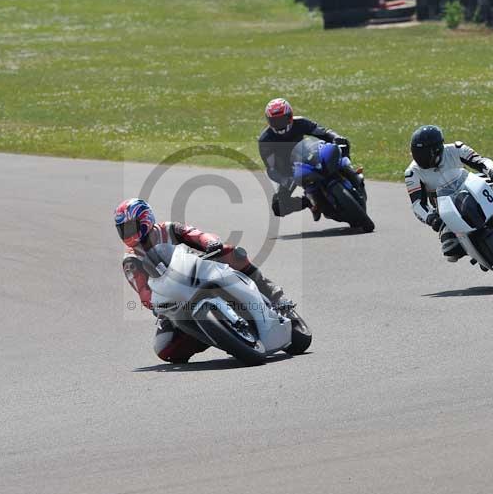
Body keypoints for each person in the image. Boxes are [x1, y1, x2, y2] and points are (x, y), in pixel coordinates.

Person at [115, 198, 285, 363]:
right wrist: (152, 302)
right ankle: (216, 335)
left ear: (145, 219)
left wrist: (211, 242)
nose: (127, 232)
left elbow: (196, 235)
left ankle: (272, 293)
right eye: (122, 229)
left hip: (194, 271)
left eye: (130, 227)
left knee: (229, 252)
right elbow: (143, 291)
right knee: (164, 350)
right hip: (171, 299)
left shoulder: (168, 229)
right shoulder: (130, 259)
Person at [404, 125, 493, 262]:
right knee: (451, 250)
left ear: (437, 148)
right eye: (417, 153)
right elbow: (418, 204)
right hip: (446, 208)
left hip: (470, 188)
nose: (419, 158)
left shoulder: (455, 149)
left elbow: (481, 161)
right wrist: (431, 218)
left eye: (423, 153)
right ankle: (479, 251)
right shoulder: (412, 173)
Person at [258, 98, 353, 219]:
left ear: (290, 116)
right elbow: (271, 169)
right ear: (269, 121)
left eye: (282, 119)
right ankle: (309, 202)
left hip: (310, 155)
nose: (280, 124)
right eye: (275, 121)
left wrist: (336, 137)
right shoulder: (265, 140)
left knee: (343, 143)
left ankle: (350, 170)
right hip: (289, 172)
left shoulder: (301, 122)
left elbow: (323, 132)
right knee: (278, 206)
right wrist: (284, 180)